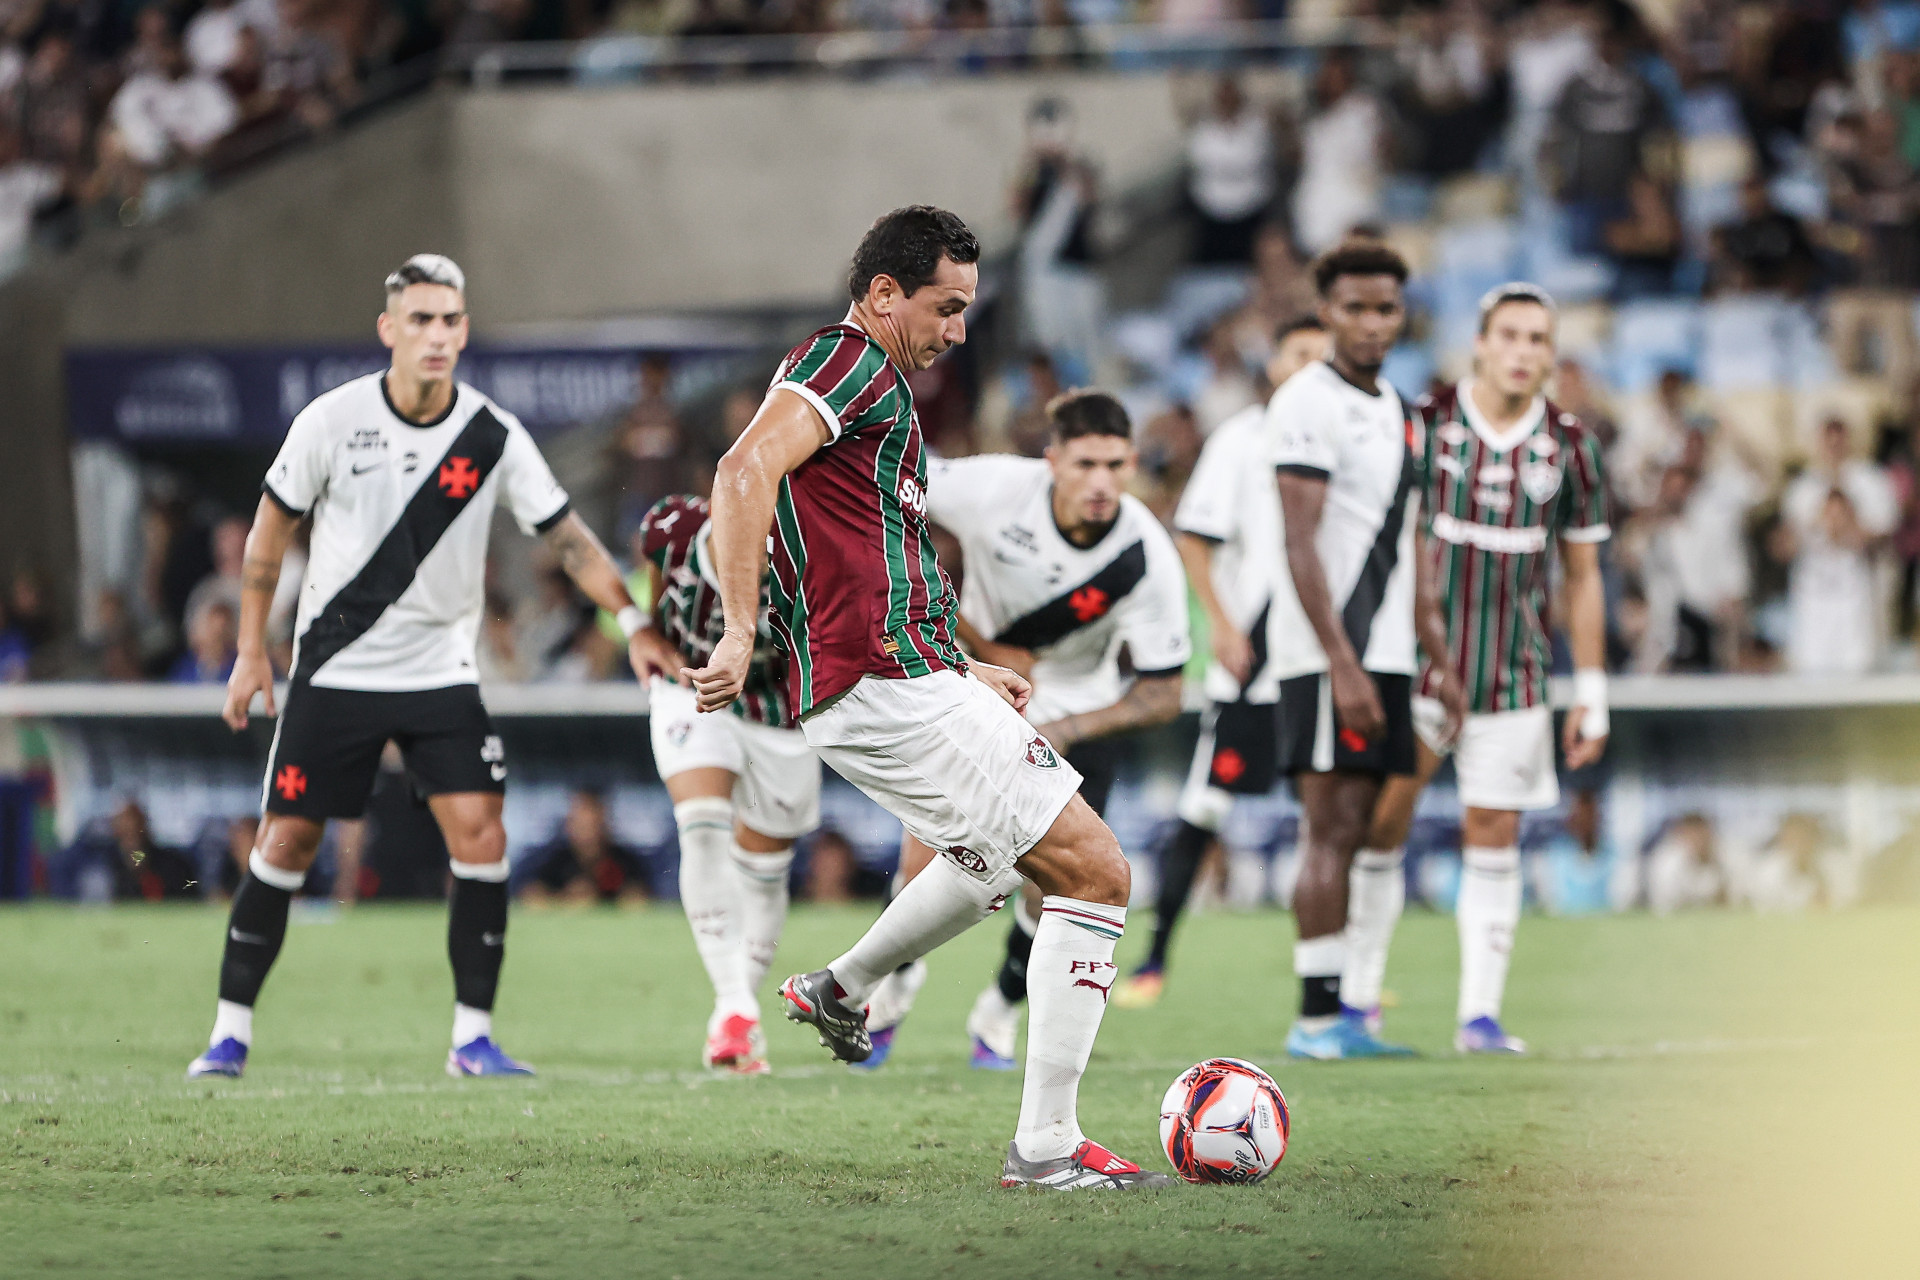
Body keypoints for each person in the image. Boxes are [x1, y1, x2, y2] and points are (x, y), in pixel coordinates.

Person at [686, 207, 1171, 1189]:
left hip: (903, 670)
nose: (957, 330)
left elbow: (873, 552)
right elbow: (741, 472)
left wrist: (958, 658)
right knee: (1095, 870)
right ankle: (1045, 1146)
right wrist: (738, 627)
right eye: (945, 308)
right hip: (876, 680)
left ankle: (843, 984)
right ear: (882, 295)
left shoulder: (881, 398)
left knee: (989, 862)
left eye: (966, 310)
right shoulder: (847, 361)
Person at [187, 254, 655, 1082]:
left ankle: (471, 1039)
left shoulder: (491, 434)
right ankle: (228, 1034)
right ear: (389, 330)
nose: (437, 336)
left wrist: (632, 619)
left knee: (483, 838)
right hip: (334, 671)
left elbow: (568, 538)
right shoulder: (331, 421)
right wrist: (252, 648)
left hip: (442, 674)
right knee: (287, 841)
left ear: (464, 330)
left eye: (450, 321)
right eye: (421, 321)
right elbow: (267, 534)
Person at [856, 388, 1191, 1071]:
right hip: (973, 692)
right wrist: (936, 608)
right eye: (1086, 464)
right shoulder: (992, 488)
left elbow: (1164, 692)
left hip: (1078, 714)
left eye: (1116, 466)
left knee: (1057, 891)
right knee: (926, 866)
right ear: (1052, 462)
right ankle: (892, 993)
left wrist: (1067, 725)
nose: (1102, 483)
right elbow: (884, 484)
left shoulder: (1145, 556)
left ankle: (998, 1012)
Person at [1357, 283, 1612, 1056]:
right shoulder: (1424, 426)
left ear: (1551, 354)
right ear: (1480, 343)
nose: (1523, 351)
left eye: (1538, 339)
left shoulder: (1569, 446)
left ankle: (1479, 1017)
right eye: (1510, 335)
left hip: (1516, 673)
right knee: (1382, 823)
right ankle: (1358, 1001)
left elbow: (1583, 576)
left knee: (1494, 831)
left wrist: (1591, 691)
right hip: (1418, 668)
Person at [1265, 240, 1465, 1061]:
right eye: (1356, 307)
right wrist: (1340, 662)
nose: (1373, 322)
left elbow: (1413, 547)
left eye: (1386, 308)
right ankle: (1317, 1021)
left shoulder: (1402, 411)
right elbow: (1300, 543)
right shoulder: (1305, 401)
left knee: (1362, 826)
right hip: (1325, 652)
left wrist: (1437, 651)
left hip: (1382, 652)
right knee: (1332, 825)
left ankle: (1341, 1010)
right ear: (1326, 312)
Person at [1115, 315, 1330, 1009]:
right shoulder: (1241, 442)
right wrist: (1226, 628)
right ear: (1274, 364)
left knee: (1332, 817)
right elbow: (1195, 543)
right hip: (1254, 664)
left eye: (1322, 359)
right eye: (1299, 354)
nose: (1310, 369)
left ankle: (1338, 978)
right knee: (1205, 806)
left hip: (1323, 665)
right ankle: (1153, 960)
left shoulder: (1347, 442)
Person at [628, 493, 819, 1074]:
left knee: (764, 874)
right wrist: (640, 629)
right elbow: (656, 595)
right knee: (703, 829)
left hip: (779, 708)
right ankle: (738, 1010)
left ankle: (732, 1010)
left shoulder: (815, 557)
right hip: (690, 684)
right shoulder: (669, 528)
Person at [516, 790, 652, 907]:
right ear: (569, 826)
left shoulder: (623, 859)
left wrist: (601, 901)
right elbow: (531, 895)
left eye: (594, 826)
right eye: (582, 826)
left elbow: (640, 897)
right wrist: (566, 899)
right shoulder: (555, 859)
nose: (589, 835)